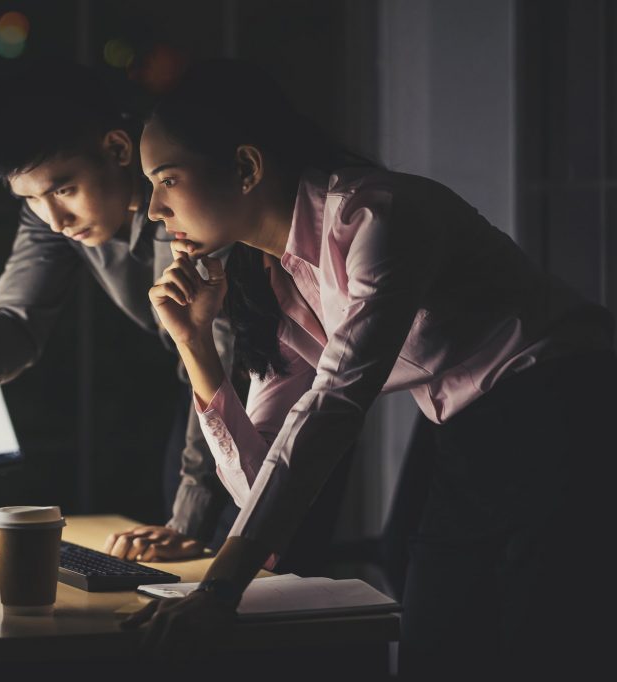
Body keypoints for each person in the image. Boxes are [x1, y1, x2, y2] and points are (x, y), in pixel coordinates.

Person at [123, 59, 616, 677]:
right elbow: (261, 486)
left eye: (166, 180)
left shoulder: (377, 217)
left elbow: (332, 406)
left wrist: (219, 589)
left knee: (546, 652)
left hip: (563, 408)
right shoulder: (279, 281)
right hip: (465, 436)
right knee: (435, 653)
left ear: (247, 167)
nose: (150, 210)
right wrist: (197, 349)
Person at [0, 59, 236, 562]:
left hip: (283, 400)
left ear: (118, 148)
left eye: (63, 189)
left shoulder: (186, 198)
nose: (54, 219)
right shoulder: (52, 216)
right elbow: (19, 316)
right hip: (204, 403)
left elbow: (227, 353)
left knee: (273, 598)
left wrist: (186, 520)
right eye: (31, 199)